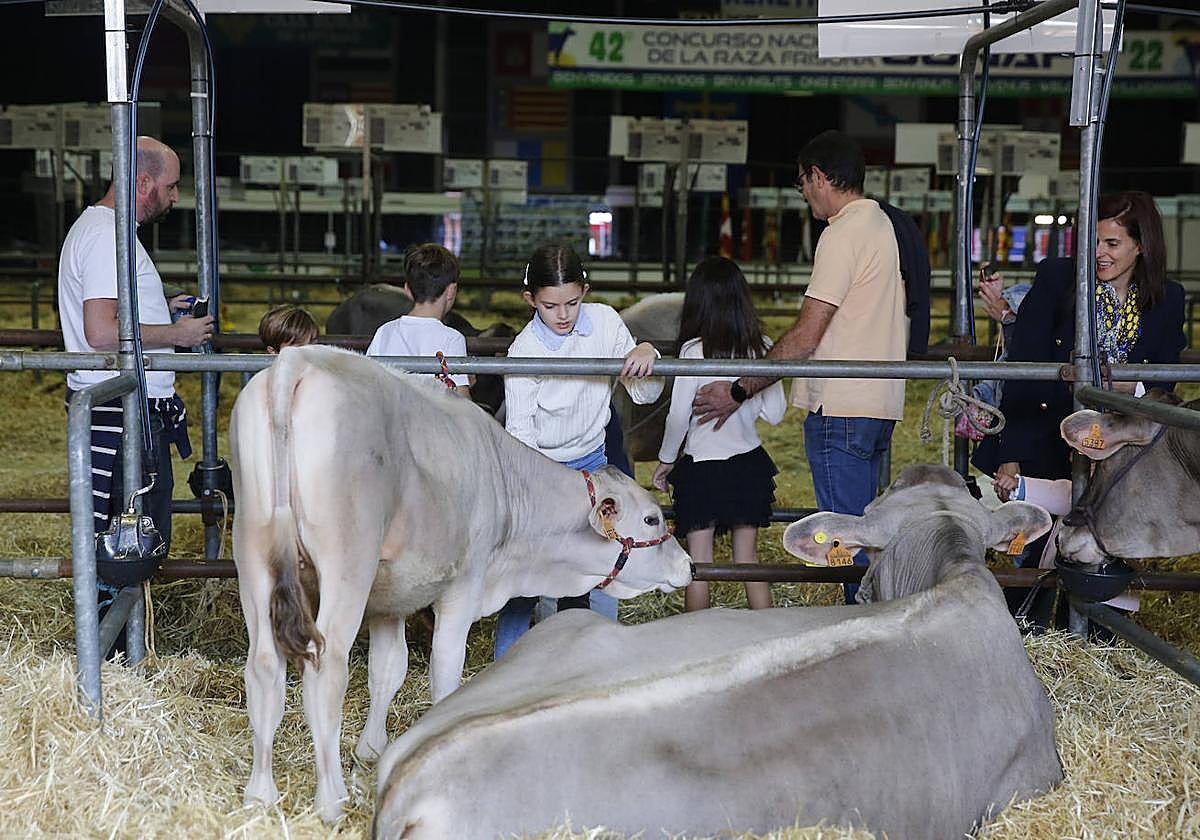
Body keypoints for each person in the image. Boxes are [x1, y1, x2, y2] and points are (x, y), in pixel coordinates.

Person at [693, 130, 908, 605]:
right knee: (864, 531)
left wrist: (739, 390)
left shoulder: (843, 232)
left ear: (816, 176)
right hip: (877, 404)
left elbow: (807, 334)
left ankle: (864, 632)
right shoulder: (880, 223)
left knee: (843, 537)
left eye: (802, 184)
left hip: (842, 407)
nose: (806, 195)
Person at [58, 136, 213, 644]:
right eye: (169, 187)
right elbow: (102, 332)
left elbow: (115, 320)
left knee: (128, 534)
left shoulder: (109, 232)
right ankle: (109, 660)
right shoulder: (109, 237)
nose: (174, 196)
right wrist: (180, 335)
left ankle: (117, 653)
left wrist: (163, 310)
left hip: (126, 409)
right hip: (120, 411)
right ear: (142, 182)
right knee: (124, 540)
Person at [495, 243, 661, 658]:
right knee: (527, 580)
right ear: (530, 299)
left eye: (572, 302)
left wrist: (646, 353)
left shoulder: (605, 322)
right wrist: (537, 493)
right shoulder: (524, 351)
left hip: (593, 465)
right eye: (551, 306)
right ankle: (506, 669)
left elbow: (642, 395)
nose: (564, 315)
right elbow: (519, 434)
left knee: (591, 568)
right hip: (541, 471)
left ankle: (590, 662)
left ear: (585, 290)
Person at [972, 191, 1186, 487]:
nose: (1099, 252)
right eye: (1092, 241)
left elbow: (1164, 379)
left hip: (1126, 450)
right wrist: (1011, 457)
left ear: (1140, 245)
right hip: (1047, 438)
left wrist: (1129, 386)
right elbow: (1024, 370)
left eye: (1112, 243)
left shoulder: (1168, 298)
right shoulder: (1057, 278)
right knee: (1043, 529)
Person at [652, 257, 785, 612]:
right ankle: (769, 635)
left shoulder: (693, 352)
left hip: (703, 470)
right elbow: (776, 414)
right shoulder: (763, 347)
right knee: (748, 559)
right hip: (749, 466)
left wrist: (665, 462)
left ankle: (698, 646)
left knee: (700, 565)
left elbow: (678, 417)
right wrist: (746, 398)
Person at [367, 243, 472, 398]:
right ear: (451, 291)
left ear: (407, 290)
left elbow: (369, 383)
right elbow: (462, 403)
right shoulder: (452, 339)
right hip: (431, 421)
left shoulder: (384, 332)